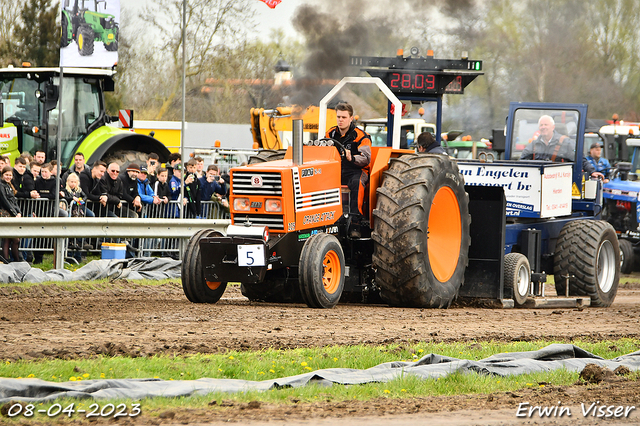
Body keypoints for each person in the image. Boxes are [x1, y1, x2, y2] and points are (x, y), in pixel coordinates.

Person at [326, 102, 371, 225]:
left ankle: (356, 221)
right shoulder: (330, 134)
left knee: (357, 182)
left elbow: (366, 158)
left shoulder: (361, 136)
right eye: (338, 117)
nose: (341, 120)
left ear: (351, 118)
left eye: (344, 117)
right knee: (321, 180)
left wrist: (352, 158)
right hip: (337, 170)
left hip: (357, 170)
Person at [0, 166, 23, 262]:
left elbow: (13, 201)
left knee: (10, 239)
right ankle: (10, 259)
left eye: (10, 175)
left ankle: (11, 260)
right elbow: (5, 201)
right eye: (6, 175)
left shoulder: (9, 186)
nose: (8, 177)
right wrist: (14, 213)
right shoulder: (1, 185)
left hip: (11, 213)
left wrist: (19, 212)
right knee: (12, 238)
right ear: (2, 175)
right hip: (5, 213)